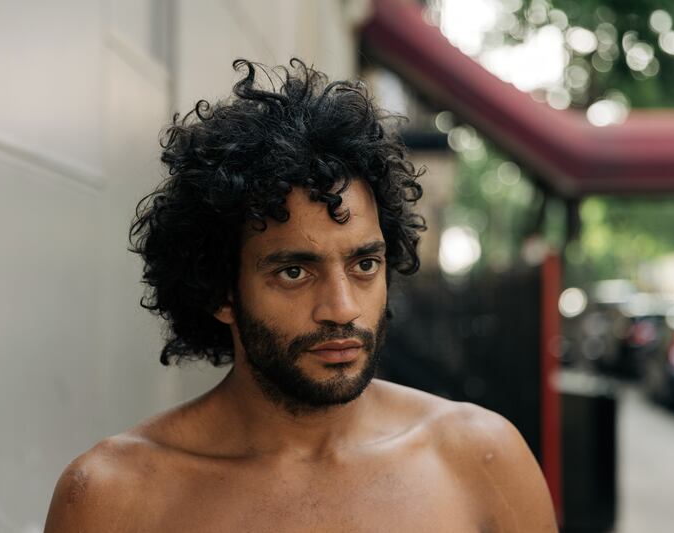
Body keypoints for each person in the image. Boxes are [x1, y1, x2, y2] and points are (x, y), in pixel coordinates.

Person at [44, 59, 558, 532]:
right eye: (294, 271)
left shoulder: (481, 459)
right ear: (220, 290)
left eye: (363, 265)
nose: (342, 309)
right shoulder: (114, 497)